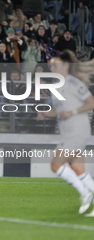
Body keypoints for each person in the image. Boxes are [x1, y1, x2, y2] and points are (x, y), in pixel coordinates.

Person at [37, 50, 94, 215]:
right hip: (70, 131)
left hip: (77, 130)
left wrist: (73, 112)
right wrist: (46, 113)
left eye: (56, 63)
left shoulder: (73, 83)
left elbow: (91, 102)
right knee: (77, 167)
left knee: (56, 164)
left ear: (66, 66)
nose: (52, 66)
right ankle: (87, 191)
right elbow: (59, 110)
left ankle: (85, 193)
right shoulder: (58, 85)